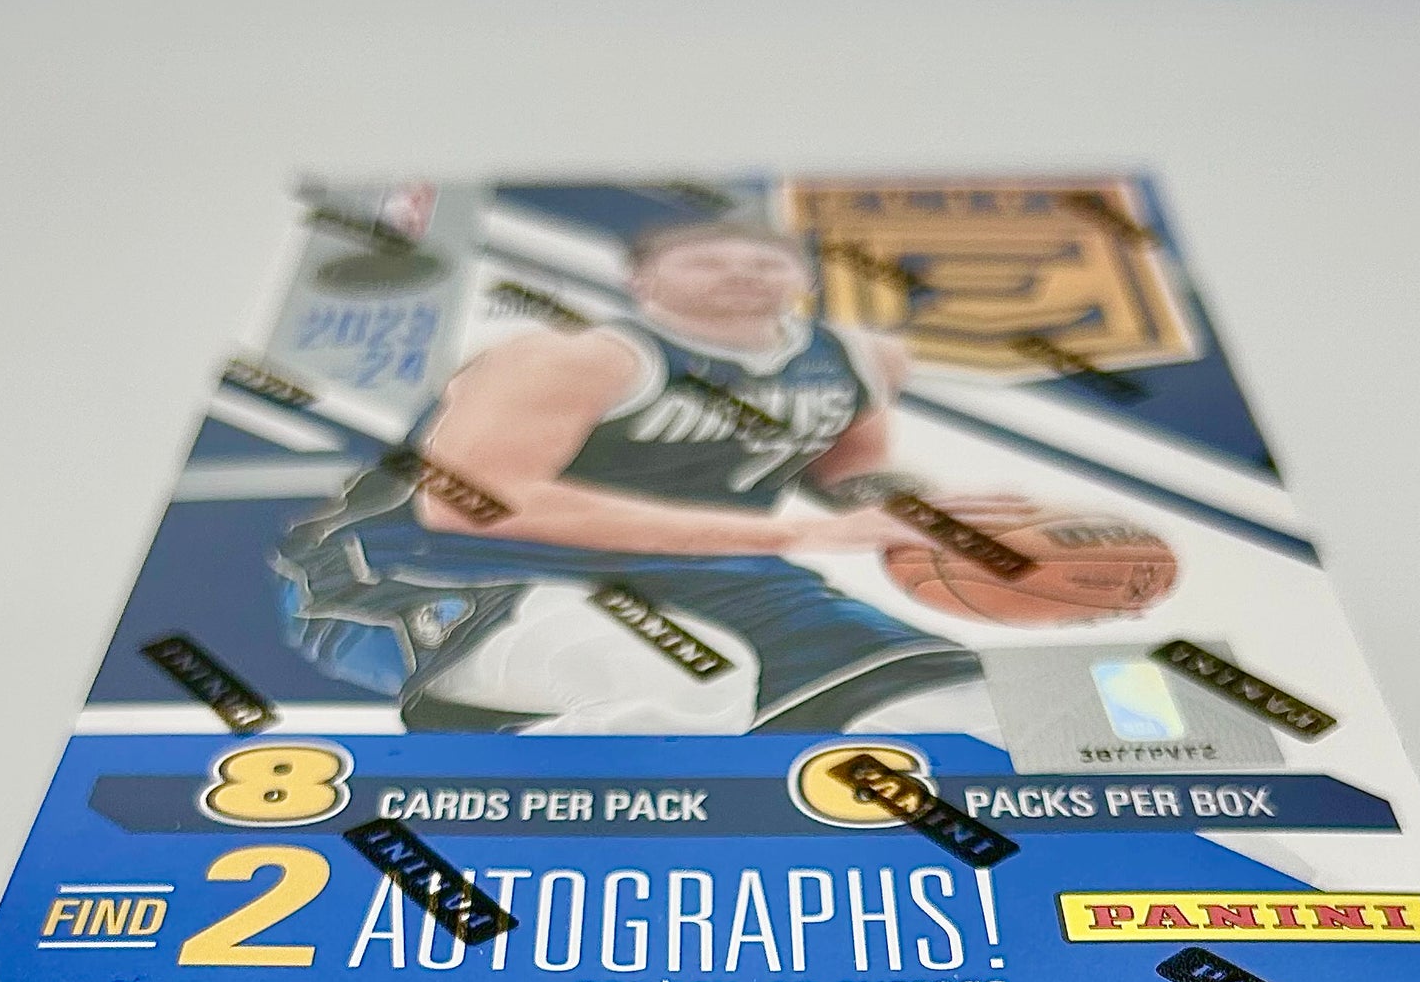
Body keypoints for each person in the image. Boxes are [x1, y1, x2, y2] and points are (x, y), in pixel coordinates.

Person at [273, 217, 1032, 736]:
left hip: (700, 574)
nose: (739, 272)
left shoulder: (861, 358)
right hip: (437, 568)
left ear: (801, 275)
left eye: (763, 260)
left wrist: (927, 515)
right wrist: (810, 532)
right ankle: (496, 847)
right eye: (706, 259)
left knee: (971, 705)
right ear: (641, 280)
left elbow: (849, 466)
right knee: (685, 689)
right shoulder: (572, 357)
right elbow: (473, 506)